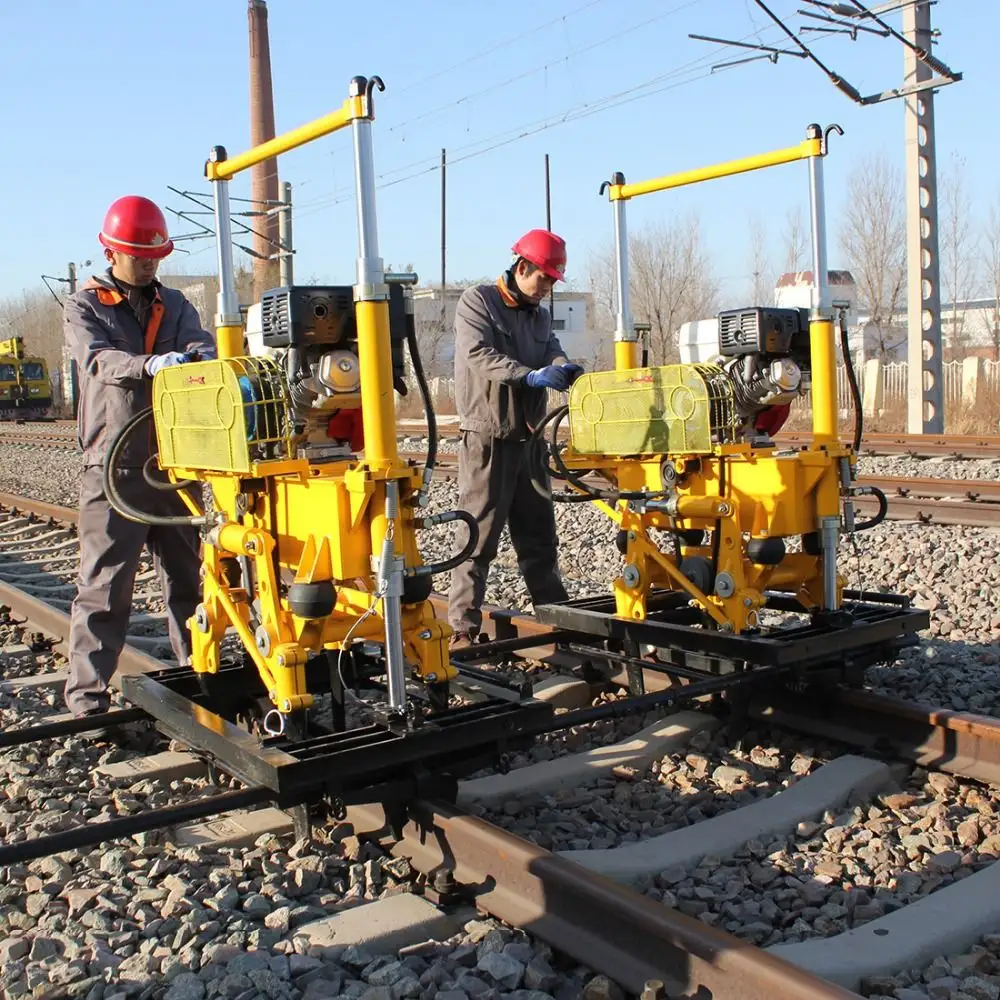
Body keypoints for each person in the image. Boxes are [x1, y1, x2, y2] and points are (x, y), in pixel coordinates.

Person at [63, 195, 216, 723]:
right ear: (111, 250)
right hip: (115, 467)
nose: (149, 262)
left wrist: (201, 356)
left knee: (189, 583)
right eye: (138, 254)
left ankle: (199, 678)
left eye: (155, 254)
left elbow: (199, 344)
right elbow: (98, 360)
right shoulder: (84, 307)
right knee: (105, 588)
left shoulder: (174, 304)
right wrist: (150, 365)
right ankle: (87, 701)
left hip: (174, 465)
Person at [447, 229, 583, 650]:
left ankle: (555, 617)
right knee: (478, 537)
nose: (545, 289)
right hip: (487, 437)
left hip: (530, 439)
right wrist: (529, 376)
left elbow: (551, 350)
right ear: (521, 267)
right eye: (542, 278)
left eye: (551, 282)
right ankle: (463, 630)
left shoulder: (539, 315)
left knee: (539, 536)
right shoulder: (478, 302)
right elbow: (478, 355)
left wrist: (562, 367)